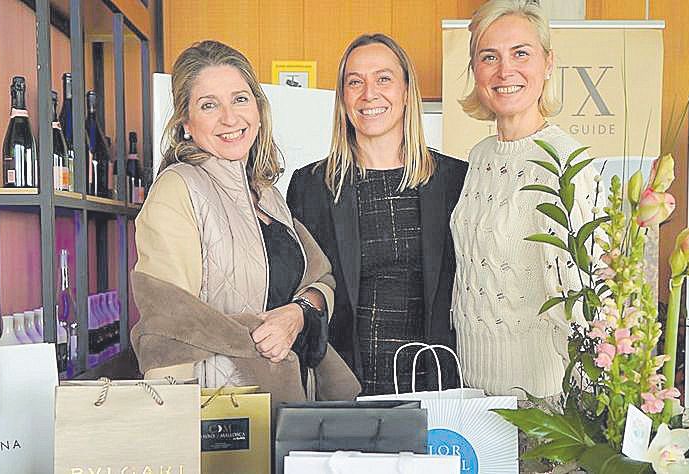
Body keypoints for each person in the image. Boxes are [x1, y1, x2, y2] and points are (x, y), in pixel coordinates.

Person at [131, 40, 359, 402]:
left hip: (290, 399)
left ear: (257, 108)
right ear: (186, 123)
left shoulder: (266, 193)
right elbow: (167, 329)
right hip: (225, 413)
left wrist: (297, 315)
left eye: (240, 99)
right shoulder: (178, 189)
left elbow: (319, 281)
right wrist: (172, 431)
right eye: (209, 105)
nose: (230, 118)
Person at [288, 34, 468, 396]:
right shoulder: (310, 186)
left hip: (437, 387)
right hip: (343, 387)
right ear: (343, 98)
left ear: (406, 91)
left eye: (383, 78)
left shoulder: (456, 181)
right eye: (355, 82)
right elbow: (297, 290)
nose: (369, 93)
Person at [450, 0, 603, 402]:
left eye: (521, 53)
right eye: (489, 57)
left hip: (540, 396)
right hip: (473, 386)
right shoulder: (481, 156)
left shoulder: (564, 160)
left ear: (548, 63)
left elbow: (580, 297)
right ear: (475, 70)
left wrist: (579, 402)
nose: (505, 71)